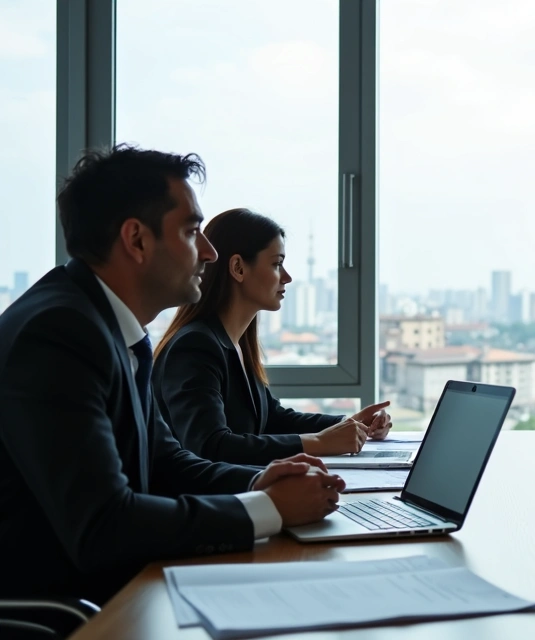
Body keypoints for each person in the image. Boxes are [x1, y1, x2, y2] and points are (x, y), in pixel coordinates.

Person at [0, 145, 346, 602]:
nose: (209, 252)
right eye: (192, 231)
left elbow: (165, 462)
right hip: (70, 615)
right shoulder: (59, 334)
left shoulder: (113, 329)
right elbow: (102, 526)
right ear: (137, 240)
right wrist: (266, 511)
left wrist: (255, 482)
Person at [153, 208, 393, 465]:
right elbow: (210, 445)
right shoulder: (195, 347)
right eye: (277, 264)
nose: (287, 277)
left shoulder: (236, 343)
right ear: (238, 268)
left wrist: (350, 424)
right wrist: (320, 443)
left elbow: (273, 419)